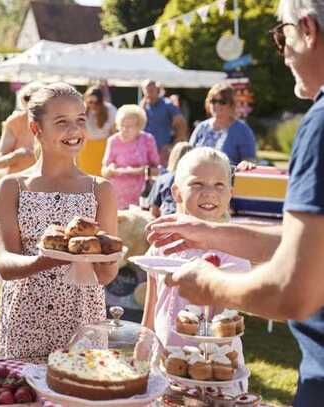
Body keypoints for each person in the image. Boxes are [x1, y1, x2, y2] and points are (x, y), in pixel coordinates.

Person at [146, 2, 324, 403]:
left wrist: (210, 284)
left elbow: (294, 291)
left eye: (282, 34)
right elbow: (310, 244)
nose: (282, 50)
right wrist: (212, 232)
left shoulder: (320, 122)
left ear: (308, 30)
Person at [0, 82, 118, 363]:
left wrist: (110, 260)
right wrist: (48, 259)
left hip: (82, 323)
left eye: (80, 121)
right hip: (25, 322)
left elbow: (105, 276)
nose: (74, 131)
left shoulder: (101, 190)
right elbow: (4, 264)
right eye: (62, 122)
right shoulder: (12, 187)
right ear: (36, 129)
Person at [143, 148, 249, 369]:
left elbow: (226, 320)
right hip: (165, 360)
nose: (209, 192)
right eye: (197, 184)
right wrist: (143, 344)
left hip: (214, 365)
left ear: (230, 193)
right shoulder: (163, 245)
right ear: (177, 192)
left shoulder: (234, 251)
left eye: (219, 185)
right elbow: (152, 303)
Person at [102, 104, 160, 210]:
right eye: (121, 125)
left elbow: (157, 170)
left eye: (129, 126)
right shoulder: (113, 141)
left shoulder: (148, 139)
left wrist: (141, 170)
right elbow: (104, 172)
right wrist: (110, 170)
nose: (124, 129)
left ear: (139, 126)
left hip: (141, 196)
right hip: (117, 197)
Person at [189, 83, 257, 166]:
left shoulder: (242, 130)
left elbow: (250, 160)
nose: (216, 105)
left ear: (232, 104)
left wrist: (246, 163)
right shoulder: (201, 127)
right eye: (213, 101)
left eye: (222, 102)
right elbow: (189, 155)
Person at [0, 82, 42, 174]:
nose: (31, 103)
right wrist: (17, 155)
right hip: (16, 182)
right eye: (27, 98)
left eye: (38, 100)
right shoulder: (14, 122)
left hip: (44, 183)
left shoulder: (54, 122)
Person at [141, 80, 188, 165]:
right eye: (146, 91)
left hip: (163, 149)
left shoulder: (167, 104)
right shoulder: (143, 105)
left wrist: (175, 143)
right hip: (146, 148)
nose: (148, 93)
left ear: (157, 90)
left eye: (151, 90)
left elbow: (181, 123)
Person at [77, 86, 117, 176]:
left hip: (104, 147)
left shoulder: (110, 110)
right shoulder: (81, 109)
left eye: (96, 102)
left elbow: (114, 131)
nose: (93, 105)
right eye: (90, 102)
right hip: (86, 147)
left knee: (101, 175)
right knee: (86, 175)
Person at [148, 142, 193, 218]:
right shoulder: (195, 180)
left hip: (167, 219)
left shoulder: (162, 179)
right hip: (187, 220)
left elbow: (154, 210)